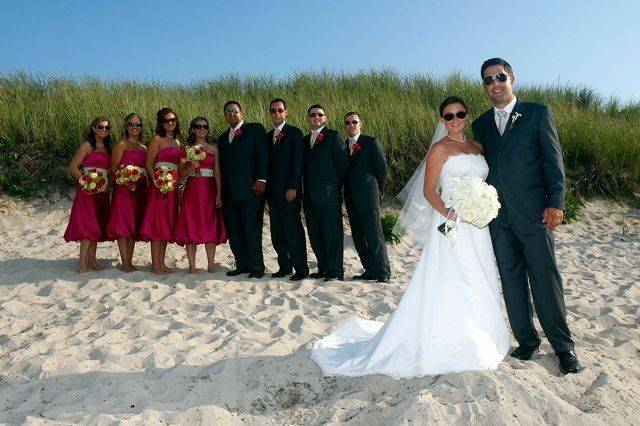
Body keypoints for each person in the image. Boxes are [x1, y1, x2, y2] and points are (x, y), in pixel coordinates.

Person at [311, 97, 510, 378]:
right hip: (450, 222)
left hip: (478, 226)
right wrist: (449, 211)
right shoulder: (439, 149)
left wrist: (484, 203)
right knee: (453, 275)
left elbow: (484, 182)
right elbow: (430, 191)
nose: (455, 120)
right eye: (448, 116)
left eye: (460, 114)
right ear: (442, 120)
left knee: (481, 274)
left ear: (467, 116)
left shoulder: (478, 146)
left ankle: (482, 330)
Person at [472, 58, 580, 374]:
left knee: (545, 280)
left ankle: (564, 347)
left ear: (512, 78)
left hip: (535, 214)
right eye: (488, 80)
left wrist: (556, 203)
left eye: (500, 77)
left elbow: (553, 162)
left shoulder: (537, 113)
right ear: (484, 85)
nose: (495, 84)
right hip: (498, 219)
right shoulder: (481, 124)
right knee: (511, 279)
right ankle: (527, 341)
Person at [217, 101, 268, 279]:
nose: (231, 114)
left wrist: (262, 178)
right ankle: (242, 265)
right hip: (230, 193)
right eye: (228, 112)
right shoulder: (223, 138)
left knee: (251, 229)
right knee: (235, 230)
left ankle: (257, 268)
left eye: (234, 111)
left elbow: (262, 154)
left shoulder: (255, 129)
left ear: (241, 112)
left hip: (251, 191)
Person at [175, 117, 227, 273]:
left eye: (205, 126)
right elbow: (180, 172)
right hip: (192, 189)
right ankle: (192, 267)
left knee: (209, 224)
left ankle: (211, 265)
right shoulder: (186, 149)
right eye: (198, 126)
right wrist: (189, 169)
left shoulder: (214, 149)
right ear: (192, 129)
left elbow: (217, 172)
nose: (202, 129)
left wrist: (219, 193)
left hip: (209, 189)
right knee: (191, 223)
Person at [343, 112, 391, 283]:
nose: (351, 125)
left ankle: (384, 272)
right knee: (358, 237)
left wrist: (378, 192)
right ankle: (370, 269)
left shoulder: (370, 142)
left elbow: (382, 169)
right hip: (351, 199)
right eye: (347, 123)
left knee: (374, 236)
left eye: (354, 122)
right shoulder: (343, 144)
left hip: (369, 197)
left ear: (360, 124)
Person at [303, 104, 349, 281]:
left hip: (329, 197)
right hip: (310, 197)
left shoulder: (333, 136)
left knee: (332, 234)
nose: (316, 117)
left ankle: (336, 271)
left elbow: (343, 165)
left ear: (325, 118)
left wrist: (334, 189)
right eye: (313, 115)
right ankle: (323, 268)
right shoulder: (306, 140)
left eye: (320, 115)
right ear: (309, 118)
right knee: (315, 234)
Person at [266, 98, 308, 281]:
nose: (277, 114)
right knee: (277, 231)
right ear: (270, 114)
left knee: (293, 230)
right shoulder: (268, 136)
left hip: (289, 192)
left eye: (280, 110)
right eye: (273, 111)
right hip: (272, 193)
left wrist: (293, 187)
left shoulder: (294, 133)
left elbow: (298, 163)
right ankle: (284, 266)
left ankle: (301, 268)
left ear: (286, 112)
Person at [63, 117, 112, 272]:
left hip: (102, 192)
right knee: (88, 225)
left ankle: (93, 260)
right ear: (93, 128)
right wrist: (86, 181)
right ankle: (82, 262)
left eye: (107, 128)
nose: (103, 130)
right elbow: (73, 167)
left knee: (96, 225)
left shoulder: (108, 148)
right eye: (100, 127)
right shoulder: (87, 145)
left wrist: (105, 183)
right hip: (88, 191)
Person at [139, 108, 181, 275]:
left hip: (172, 188)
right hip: (158, 187)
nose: (170, 123)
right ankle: (155, 265)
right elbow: (148, 164)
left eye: (173, 120)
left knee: (165, 225)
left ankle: (161, 263)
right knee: (157, 225)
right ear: (161, 123)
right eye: (166, 120)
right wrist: (157, 182)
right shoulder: (157, 140)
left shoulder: (178, 142)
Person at [106, 113, 147, 272]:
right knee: (124, 224)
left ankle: (129, 260)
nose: (134, 127)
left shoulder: (144, 147)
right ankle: (125, 262)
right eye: (131, 124)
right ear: (126, 127)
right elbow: (114, 168)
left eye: (137, 124)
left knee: (133, 224)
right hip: (125, 189)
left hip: (140, 189)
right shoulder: (122, 144)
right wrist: (126, 180)